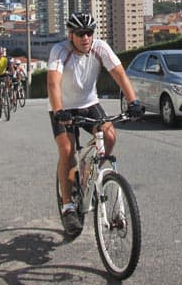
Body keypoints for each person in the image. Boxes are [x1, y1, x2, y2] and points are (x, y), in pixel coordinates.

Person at [47, 12, 142, 235]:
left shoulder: (100, 48)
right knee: (67, 150)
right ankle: (68, 205)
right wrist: (59, 111)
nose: (86, 38)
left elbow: (119, 74)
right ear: (71, 35)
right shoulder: (60, 51)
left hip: (89, 103)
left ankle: (90, 171)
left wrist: (133, 102)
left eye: (89, 33)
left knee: (110, 136)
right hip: (62, 107)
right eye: (80, 34)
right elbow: (53, 84)